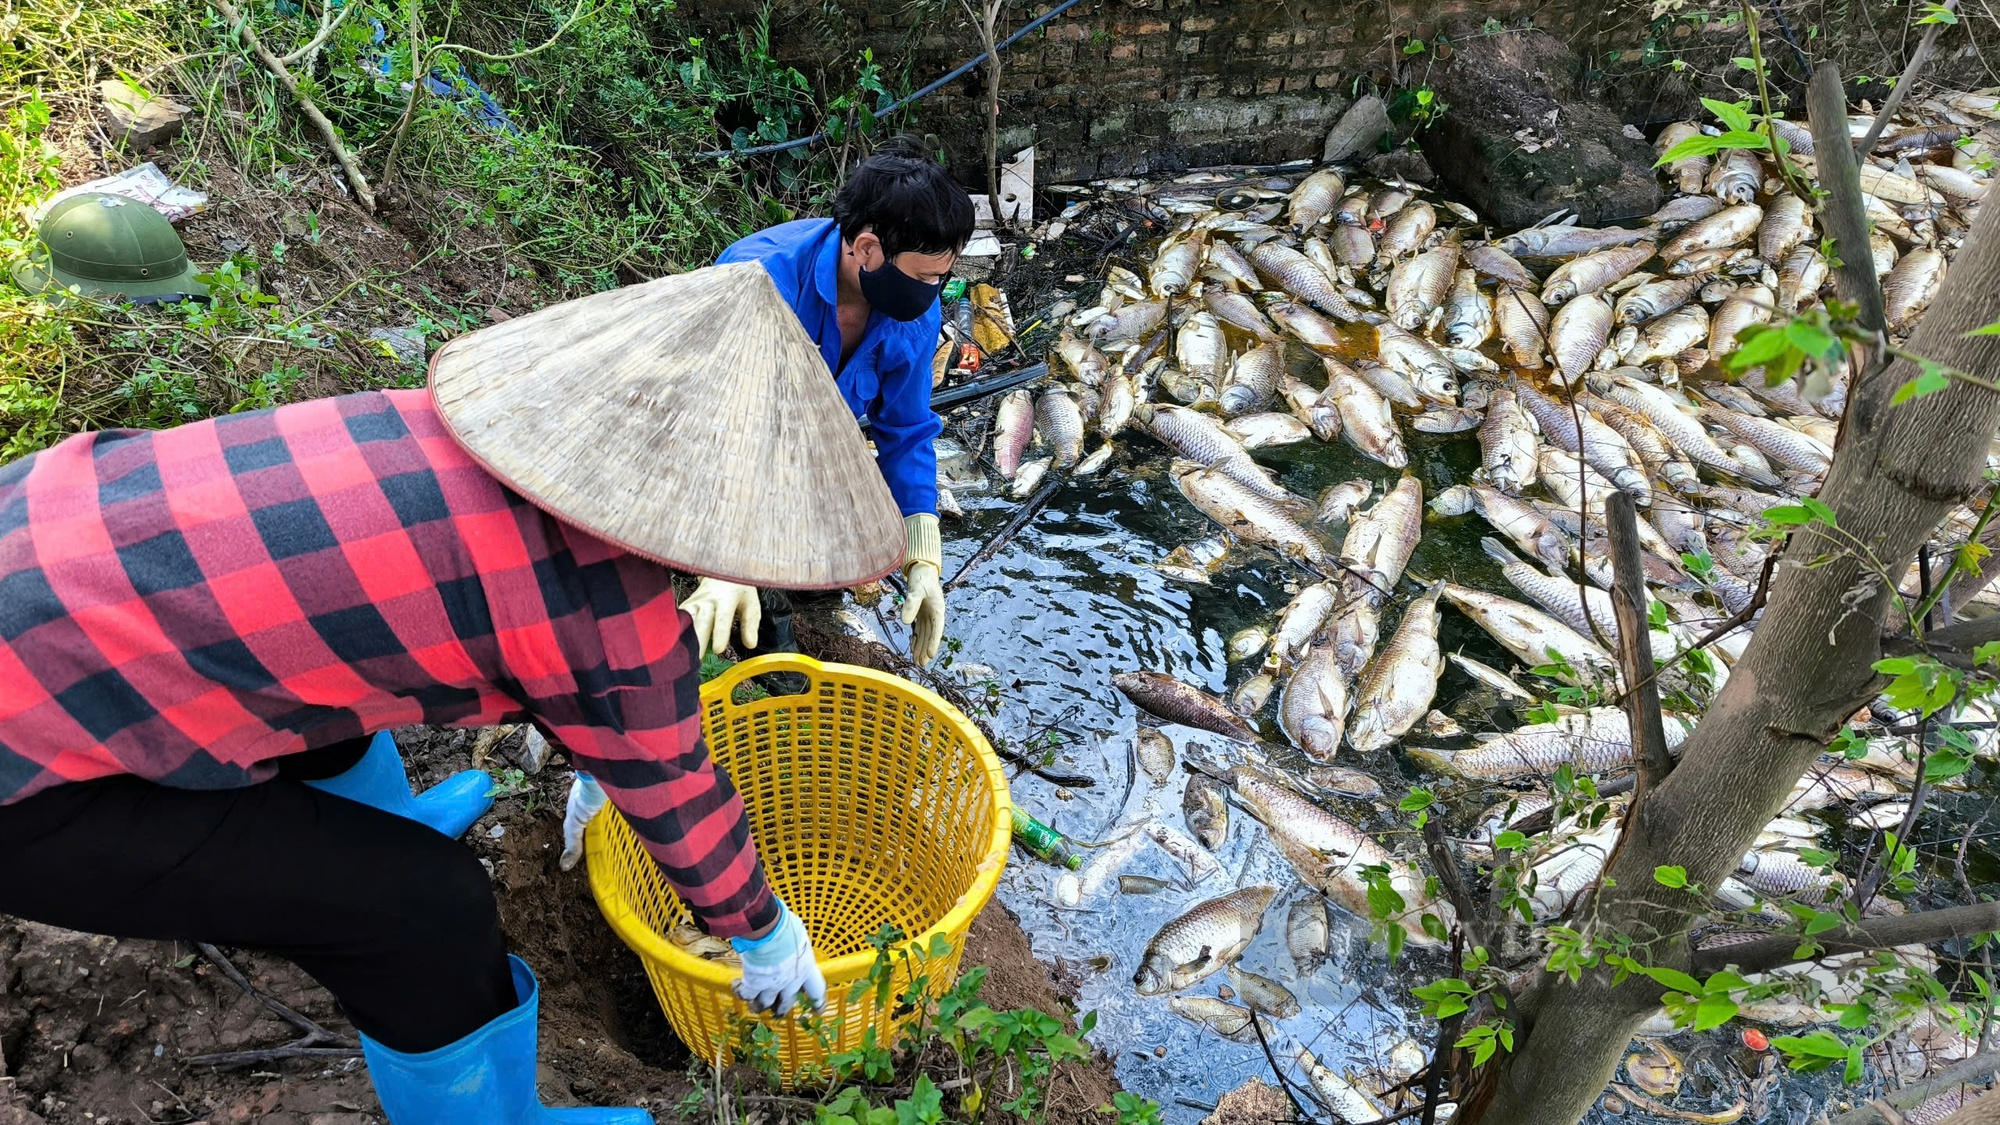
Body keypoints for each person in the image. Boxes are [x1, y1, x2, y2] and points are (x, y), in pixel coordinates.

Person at [0, 263, 908, 1123]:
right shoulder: (610, 621)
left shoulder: (442, 424)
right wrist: (762, 931)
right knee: (426, 913)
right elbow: (676, 794)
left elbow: (488, 619)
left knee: (337, 681)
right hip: (31, 758)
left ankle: (381, 827)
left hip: (45, 531)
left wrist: (600, 742)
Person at [682, 136, 975, 670]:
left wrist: (922, 549)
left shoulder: (913, 311)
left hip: (813, 440)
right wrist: (723, 555)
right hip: (723, 430)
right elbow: (713, 422)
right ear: (867, 249)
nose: (935, 291)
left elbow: (905, 430)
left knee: (818, 570)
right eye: (925, 276)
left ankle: (805, 597)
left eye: (943, 277)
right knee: (735, 607)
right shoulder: (756, 280)